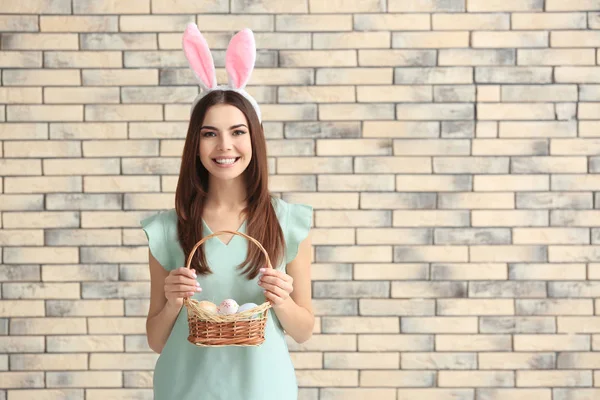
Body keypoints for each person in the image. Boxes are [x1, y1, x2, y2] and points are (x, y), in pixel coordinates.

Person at [140, 24, 314, 400]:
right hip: (184, 389)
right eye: (209, 133)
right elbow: (156, 340)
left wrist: (282, 301)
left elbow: (303, 330)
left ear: (254, 138)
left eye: (237, 132)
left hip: (265, 390)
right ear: (196, 144)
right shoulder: (169, 229)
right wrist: (172, 301)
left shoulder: (288, 222)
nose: (224, 146)